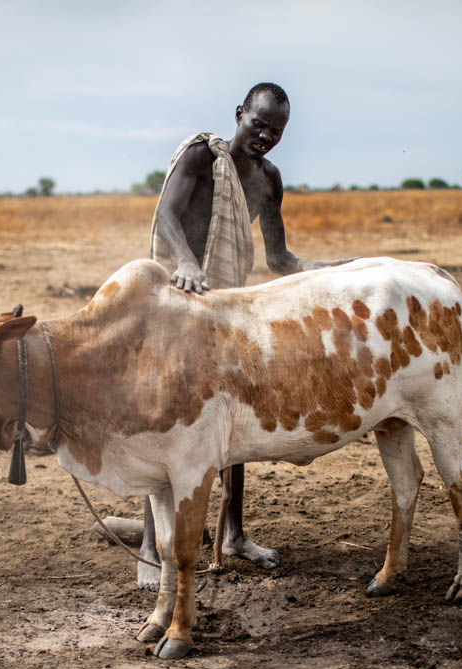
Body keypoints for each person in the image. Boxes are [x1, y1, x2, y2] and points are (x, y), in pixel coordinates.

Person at [133, 82, 354, 589]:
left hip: (228, 309)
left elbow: (281, 259)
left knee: (231, 422)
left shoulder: (269, 178)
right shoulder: (201, 158)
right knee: (169, 426)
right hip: (178, 301)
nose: (265, 138)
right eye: (258, 125)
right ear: (239, 114)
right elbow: (166, 215)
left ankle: (233, 534)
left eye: (276, 132)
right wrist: (187, 262)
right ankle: (150, 546)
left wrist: (338, 271)